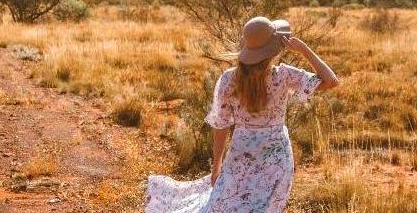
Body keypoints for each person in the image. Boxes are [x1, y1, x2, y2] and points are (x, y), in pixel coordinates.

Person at [145, 16, 339, 213]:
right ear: (274, 49)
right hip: (277, 157)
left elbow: (221, 126)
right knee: (266, 207)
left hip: (241, 151)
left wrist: (216, 167)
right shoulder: (284, 75)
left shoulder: (229, 79)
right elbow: (331, 81)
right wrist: (304, 50)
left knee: (225, 204)